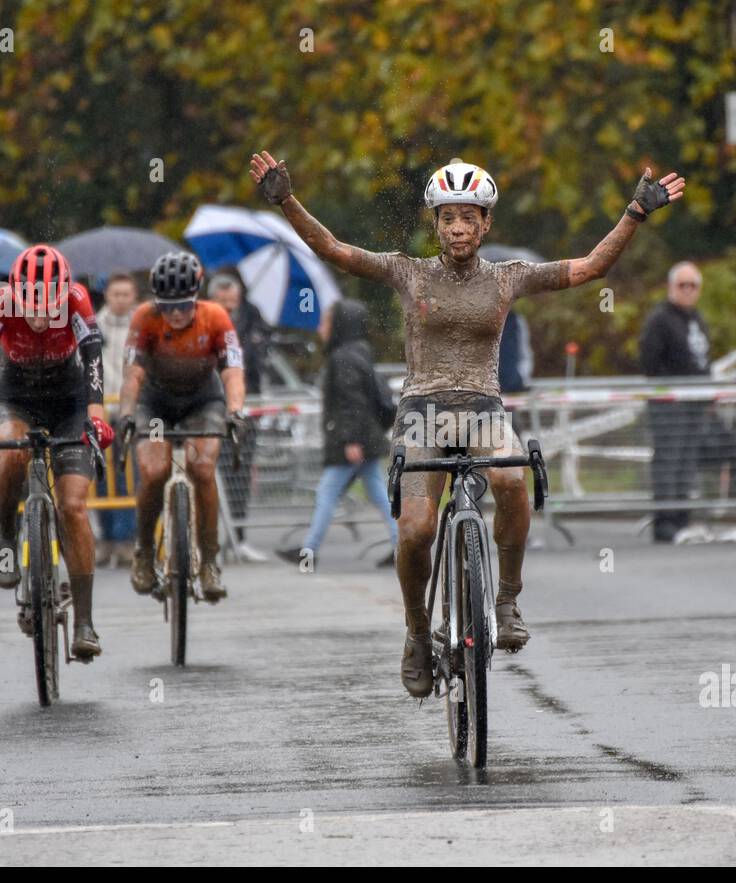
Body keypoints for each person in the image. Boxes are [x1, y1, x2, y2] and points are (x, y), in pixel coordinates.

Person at [250, 149, 684, 696]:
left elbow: (589, 268)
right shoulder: (407, 271)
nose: (458, 228)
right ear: (435, 224)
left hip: (482, 408)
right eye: (448, 217)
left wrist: (635, 214)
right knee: (416, 530)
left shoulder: (508, 278)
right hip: (423, 413)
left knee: (510, 479)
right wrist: (287, 200)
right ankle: (415, 633)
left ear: (486, 223)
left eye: (468, 217)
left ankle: (506, 600)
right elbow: (335, 250)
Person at [0, 245, 113, 660]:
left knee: (74, 507)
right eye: (34, 305)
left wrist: (96, 417)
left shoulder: (78, 298)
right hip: (16, 396)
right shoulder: (2, 301)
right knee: (11, 455)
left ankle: (84, 621)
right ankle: (6, 536)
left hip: (70, 401)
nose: (42, 317)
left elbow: (93, 359)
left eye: (50, 305)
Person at [118, 251, 247, 603]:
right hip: (156, 406)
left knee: (202, 468)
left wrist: (235, 410)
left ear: (197, 297)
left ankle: (209, 562)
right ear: (156, 302)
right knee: (155, 470)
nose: (175, 314)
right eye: (167, 306)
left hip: (201, 402)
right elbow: (133, 374)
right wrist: (127, 412)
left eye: (184, 306)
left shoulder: (215, 317)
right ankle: (143, 551)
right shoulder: (144, 317)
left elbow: (232, 371)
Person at [276, 299, 397, 570]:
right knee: (376, 492)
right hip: (366, 437)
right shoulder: (359, 352)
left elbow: (350, 402)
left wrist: (350, 440)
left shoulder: (343, 358)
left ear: (339, 326)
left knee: (327, 492)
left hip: (354, 440)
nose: (321, 327)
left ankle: (309, 551)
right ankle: (402, 545)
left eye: (326, 321)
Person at [638, 261, 712, 541]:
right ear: (671, 288)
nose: (689, 291)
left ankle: (683, 516)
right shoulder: (659, 319)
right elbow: (649, 361)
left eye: (693, 285)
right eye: (683, 285)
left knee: (687, 461)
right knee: (668, 460)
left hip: (695, 404)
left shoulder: (697, 319)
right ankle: (665, 520)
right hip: (669, 404)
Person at [205, 272, 268, 564]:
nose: (229, 307)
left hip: (245, 403)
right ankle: (209, 539)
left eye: (233, 302)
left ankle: (239, 536)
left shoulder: (253, 318)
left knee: (239, 470)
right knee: (206, 471)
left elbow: (261, 355)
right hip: (209, 404)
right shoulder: (201, 318)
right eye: (224, 302)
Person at [93, 271, 139, 567]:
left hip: (130, 411)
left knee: (127, 477)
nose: (121, 299)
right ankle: (106, 539)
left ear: (133, 296)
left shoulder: (142, 326)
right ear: (107, 296)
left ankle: (125, 541)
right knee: (100, 478)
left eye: (126, 294)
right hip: (101, 412)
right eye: (115, 294)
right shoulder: (93, 326)